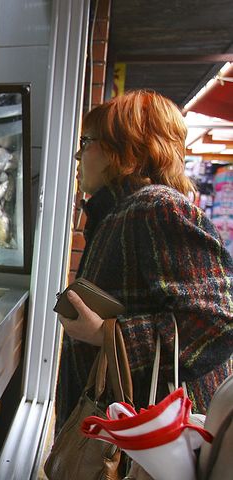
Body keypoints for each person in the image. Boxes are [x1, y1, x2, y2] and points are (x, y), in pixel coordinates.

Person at [55, 90, 233, 430]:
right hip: (126, 432)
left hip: (145, 443)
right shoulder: (121, 211)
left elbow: (218, 320)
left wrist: (108, 336)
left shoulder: (157, 207)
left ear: (123, 148)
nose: (78, 155)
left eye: (86, 141)